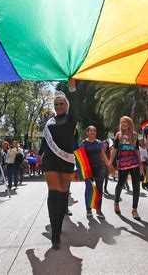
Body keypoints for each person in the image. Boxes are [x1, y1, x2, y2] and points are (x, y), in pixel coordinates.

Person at [38, 79, 77, 249]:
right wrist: (39, 155)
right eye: (56, 104)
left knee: (62, 195)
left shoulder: (71, 119)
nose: (59, 106)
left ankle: (58, 225)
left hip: (66, 160)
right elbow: (46, 141)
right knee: (53, 194)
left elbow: (77, 105)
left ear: (67, 105)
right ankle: (55, 234)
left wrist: (73, 87)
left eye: (61, 103)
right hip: (51, 160)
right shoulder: (50, 122)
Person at [109, 116, 143, 221]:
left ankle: (134, 209)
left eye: (126, 122)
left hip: (134, 163)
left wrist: (140, 163)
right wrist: (110, 162)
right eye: (122, 122)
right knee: (120, 183)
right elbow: (114, 150)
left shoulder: (135, 135)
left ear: (129, 123)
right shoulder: (118, 135)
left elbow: (137, 150)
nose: (124, 124)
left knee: (136, 186)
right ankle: (116, 202)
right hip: (123, 163)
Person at [80, 125, 111, 219]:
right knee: (89, 189)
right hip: (88, 169)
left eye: (94, 130)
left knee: (99, 189)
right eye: (91, 130)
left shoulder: (99, 143)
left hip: (100, 168)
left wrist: (109, 166)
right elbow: (80, 158)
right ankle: (88, 209)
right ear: (87, 132)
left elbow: (103, 155)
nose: (93, 132)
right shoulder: (83, 143)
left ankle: (98, 209)